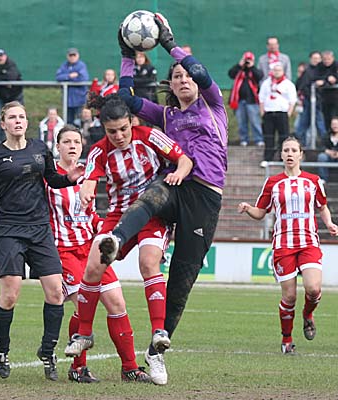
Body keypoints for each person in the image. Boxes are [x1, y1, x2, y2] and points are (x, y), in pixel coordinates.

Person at [67, 14, 228, 375]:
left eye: (186, 76)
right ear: (170, 84)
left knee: (183, 278)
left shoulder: (213, 104)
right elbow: (125, 100)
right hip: (174, 184)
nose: (184, 79)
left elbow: (200, 71)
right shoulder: (165, 115)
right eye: (177, 76)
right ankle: (115, 239)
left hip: (205, 196)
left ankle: (157, 349)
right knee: (150, 197)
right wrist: (127, 56)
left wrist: (169, 44)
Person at [63, 93, 192, 385]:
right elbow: (90, 179)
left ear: (132, 122)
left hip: (152, 214)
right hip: (118, 216)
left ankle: (159, 331)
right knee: (93, 266)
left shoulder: (150, 137)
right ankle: (84, 334)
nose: (119, 136)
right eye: (112, 131)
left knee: (149, 263)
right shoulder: (99, 150)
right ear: (104, 129)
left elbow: (184, 159)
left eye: (123, 129)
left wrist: (178, 174)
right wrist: (86, 189)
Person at [0, 101, 84, 381]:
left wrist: (69, 179)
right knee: (10, 295)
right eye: (12, 117)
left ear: (26, 122)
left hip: (40, 230)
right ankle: (2, 351)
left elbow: (52, 179)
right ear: (3, 123)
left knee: (56, 293)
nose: (18, 121)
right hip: (9, 230)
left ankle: (48, 351)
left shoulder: (39, 149)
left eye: (21, 116)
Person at [237, 137, 338, 354]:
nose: (290, 154)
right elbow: (261, 212)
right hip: (283, 244)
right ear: (281, 155)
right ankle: (287, 340)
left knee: (313, 289)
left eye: (293, 150)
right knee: (289, 296)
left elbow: (322, 207)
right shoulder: (273, 183)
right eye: (286, 150)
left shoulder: (313, 181)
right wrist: (248, 208)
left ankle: (307, 314)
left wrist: (329, 223)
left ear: (301, 154)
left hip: (308, 242)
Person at [259, 63, 297, 161]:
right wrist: (262, 112)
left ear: (283, 71)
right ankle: (268, 158)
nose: (277, 72)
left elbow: (292, 100)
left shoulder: (288, 84)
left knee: (283, 137)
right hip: (269, 113)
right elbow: (261, 98)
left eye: (279, 70)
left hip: (282, 113)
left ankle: (283, 158)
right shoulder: (266, 83)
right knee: (268, 137)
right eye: (275, 70)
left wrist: (288, 113)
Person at [228, 51, 264, 146]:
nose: (247, 62)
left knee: (255, 122)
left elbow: (260, 76)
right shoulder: (239, 71)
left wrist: (251, 67)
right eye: (246, 60)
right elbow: (231, 74)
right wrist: (239, 65)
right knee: (241, 122)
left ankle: (258, 139)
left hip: (252, 101)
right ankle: (244, 139)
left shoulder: (254, 71)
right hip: (239, 101)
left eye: (249, 60)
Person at [0, 49, 23, 142]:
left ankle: (18, 140)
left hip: (15, 96)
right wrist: (4, 80)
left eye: (1, 56)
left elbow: (12, 77)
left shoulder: (11, 64)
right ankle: (0, 142)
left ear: (5, 56)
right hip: (2, 96)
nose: (0, 58)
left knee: (18, 119)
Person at [295, 51, 326, 146]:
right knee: (304, 123)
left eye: (318, 58)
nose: (316, 60)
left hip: (320, 101)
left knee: (319, 122)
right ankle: (299, 144)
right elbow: (302, 85)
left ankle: (325, 144)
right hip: (309, 101)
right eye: (314, 58)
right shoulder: (307, 71)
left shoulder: (323, 70)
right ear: (310, 59)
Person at [56, 48, 89, 125]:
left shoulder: (81, 65)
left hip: (80, 99)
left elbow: (83, 78)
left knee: (80, 121)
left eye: (74, 55)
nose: (72, 57)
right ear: (67, 56)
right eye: (70, 55)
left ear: (78, 56)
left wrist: (68, 79)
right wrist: (69, 76)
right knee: (68, 121)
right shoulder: (64, 65)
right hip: (68, 100)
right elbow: (58, 77)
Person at [314, 50, 338, 132]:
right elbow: (316, 77)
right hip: (324, 98)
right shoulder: (319, 66)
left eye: (329, 59)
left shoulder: (336, 65)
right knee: (326, 118)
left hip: (335, 98)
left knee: (334, 117)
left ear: (333, 58)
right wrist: (326, 80)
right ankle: (328, 135)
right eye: (325, 59)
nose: (327, 61)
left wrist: (332, 79)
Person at [317, 116, 338, 183]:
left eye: (336, 124)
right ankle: (323, 179)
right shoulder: (327, 135)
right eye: (333, 124)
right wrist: (328, 152)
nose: (335, 126)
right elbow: (321, 146)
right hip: (329, 156)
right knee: (321, 157)